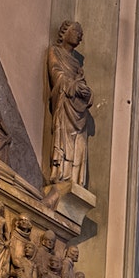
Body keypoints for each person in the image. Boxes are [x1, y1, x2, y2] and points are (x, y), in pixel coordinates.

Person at [47, 20, 92, 186]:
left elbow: (82, 83)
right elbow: (56, 74)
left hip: (78, 112)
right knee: (64, 140)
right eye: (76, 31)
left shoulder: (77, 65)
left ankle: (74, 177)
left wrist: (87, 93)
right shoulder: (55, 52)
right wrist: (74, 87)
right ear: (64, 32)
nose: (79, 36)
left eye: (80, 34)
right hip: (65, 105)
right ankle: (61, 173)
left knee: (79, 142)